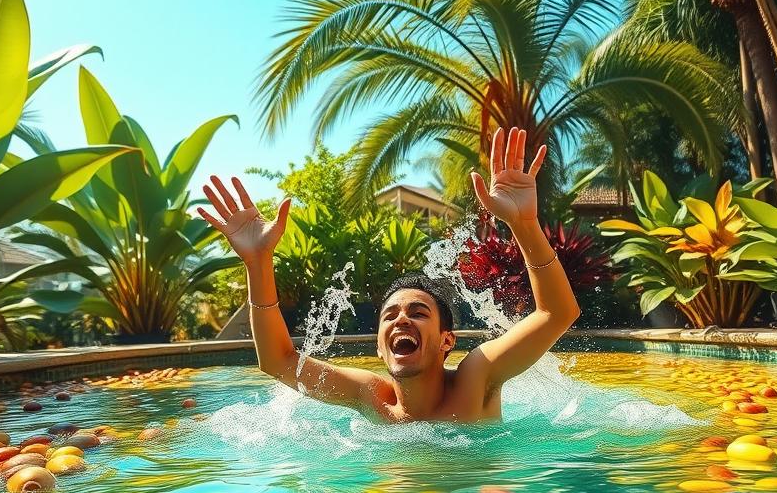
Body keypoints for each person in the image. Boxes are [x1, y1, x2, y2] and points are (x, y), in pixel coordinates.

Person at [197, 127, 580, 423]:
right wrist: (258, 261)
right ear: (379, 347)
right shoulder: (371, 397)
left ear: (447, 340)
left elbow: (556, 314)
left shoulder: (474, 379)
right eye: (390, 315)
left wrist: (524, 224)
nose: (401, 319)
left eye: (418, 312)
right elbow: (279, 362)